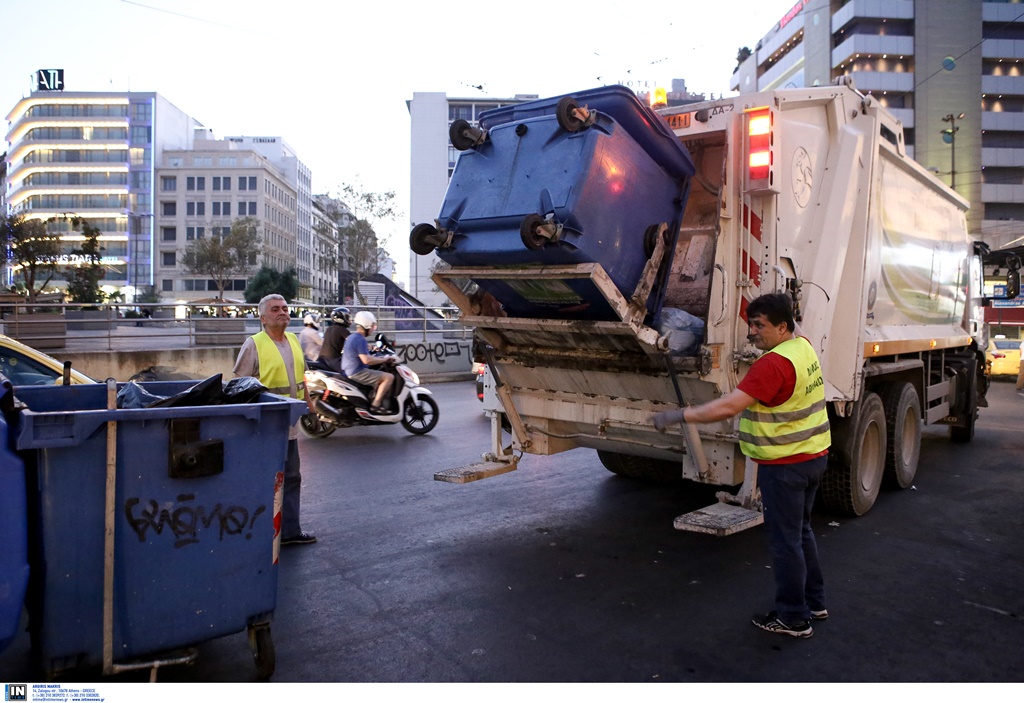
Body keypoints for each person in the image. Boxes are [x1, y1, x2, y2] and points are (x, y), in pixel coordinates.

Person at [652, 293, 831, 638]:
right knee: (802, 532)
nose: (752, 333)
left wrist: (680, 415)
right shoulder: (802, 347)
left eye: (760, 325)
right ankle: (815, 602)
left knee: (785, 543)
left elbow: (727, 407)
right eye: (750, 324)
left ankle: (794, 618)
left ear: (782, 327)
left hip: (786, 466)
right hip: (813, 457)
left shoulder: (772, 365)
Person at [233, 293, 317, 547]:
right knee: (265, 479)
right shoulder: (254, 343)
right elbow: (238, 385)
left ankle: (290, 531)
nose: (282, 312)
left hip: (289, 425)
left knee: (292, 477)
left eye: (284, 308)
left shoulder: (293, 339)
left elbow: (301, 379)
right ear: (262, 318)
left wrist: (310, 407)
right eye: (275, 309)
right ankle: (257, 531)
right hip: (265, 426)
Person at [342, 310, 395, 414]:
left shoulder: (353, 337)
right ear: (366, 325)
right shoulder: (360, 339)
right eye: (372, 326)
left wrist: (373, 349)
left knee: (377, 374)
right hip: (357, 372)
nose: (372, 329)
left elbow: (364, 351)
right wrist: (384, 359)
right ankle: (375, 405)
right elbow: (367, 360)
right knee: (389, 377)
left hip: (348, 370)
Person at [318, 306, 351, 373]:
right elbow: (353, 341)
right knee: (349, 373)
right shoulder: (342, 330)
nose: (350, 319)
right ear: (342, 318)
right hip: (333, 360)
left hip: (322, 359)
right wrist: (368, 346)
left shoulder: (329, 329)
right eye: (347, 317)